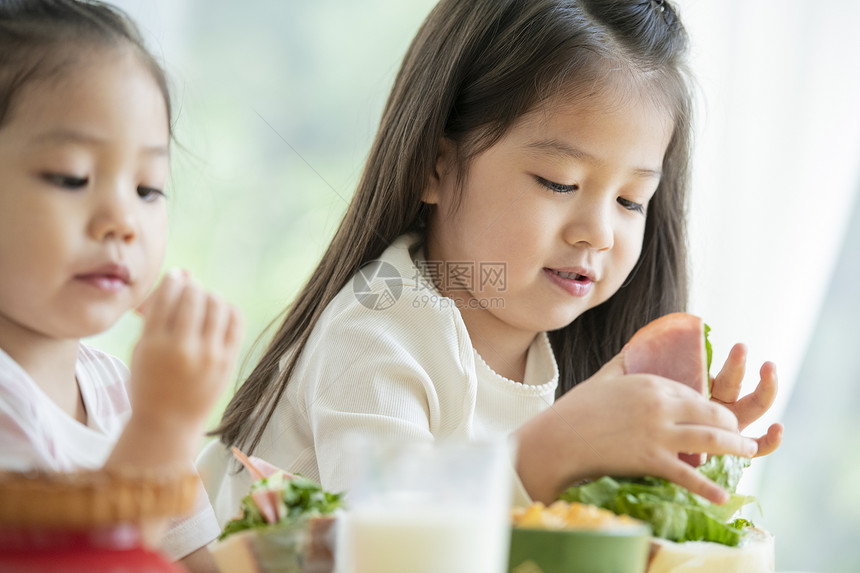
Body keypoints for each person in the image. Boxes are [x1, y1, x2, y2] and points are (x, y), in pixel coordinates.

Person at [200, 0, 783, 523]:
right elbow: (388, 538)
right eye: (559, 183)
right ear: (434, 164)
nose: (599, 232)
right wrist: (558, 446)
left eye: (631, 200)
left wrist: (672, 451)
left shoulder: (560, 353)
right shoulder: (376, 332)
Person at [0, 1, 243, 570]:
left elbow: (192, 558)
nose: (122, 220)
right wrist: (164, 425)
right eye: (71, 176)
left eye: (148, 188)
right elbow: (86, 562)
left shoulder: (119, 386)